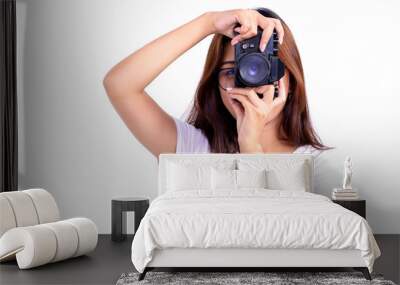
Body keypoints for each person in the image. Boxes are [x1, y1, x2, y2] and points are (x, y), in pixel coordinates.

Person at [103, 7, 333, 159]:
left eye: (262, 67)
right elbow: (120, 85)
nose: (249, 83)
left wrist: (250, 145)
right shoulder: (193, 149)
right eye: (233, 71)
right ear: (214, 83)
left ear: (290, 79)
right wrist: (209, 22)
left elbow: (270, 227)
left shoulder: (313, 163)